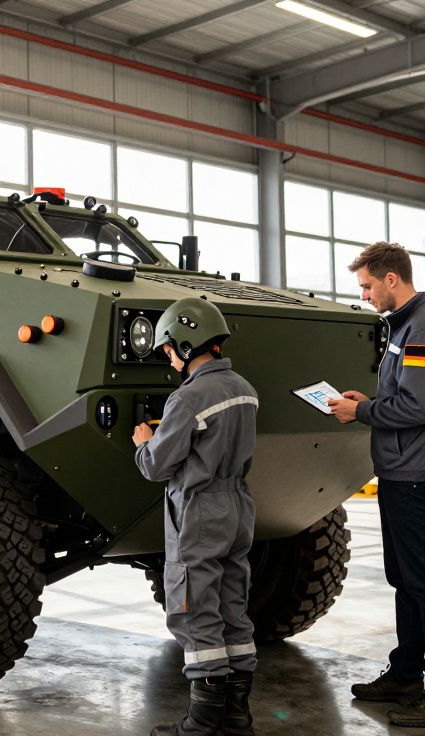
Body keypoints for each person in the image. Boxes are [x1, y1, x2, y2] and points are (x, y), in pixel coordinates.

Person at [327, 242, 425, 729]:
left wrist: (361, 411)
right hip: (401, 468)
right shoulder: (405, 326)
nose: (364, 296)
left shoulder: (422, 327)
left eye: (367, 286)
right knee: (405, 580)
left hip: (415, 473)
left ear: (392, 279)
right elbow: (407, 396)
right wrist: (369, 400)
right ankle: (407, 674)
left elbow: (420, 407)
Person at [134, 296, 259, 736]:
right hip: (239, 505)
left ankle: (203, 723)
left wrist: (144, 440)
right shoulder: (244, 389)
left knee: (194, 609)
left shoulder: (187, 399)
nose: (168, 361)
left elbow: (157, 465)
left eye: (168, 351)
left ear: (185, 344)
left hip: (201, 509)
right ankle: (237, 716)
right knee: (232, 605)